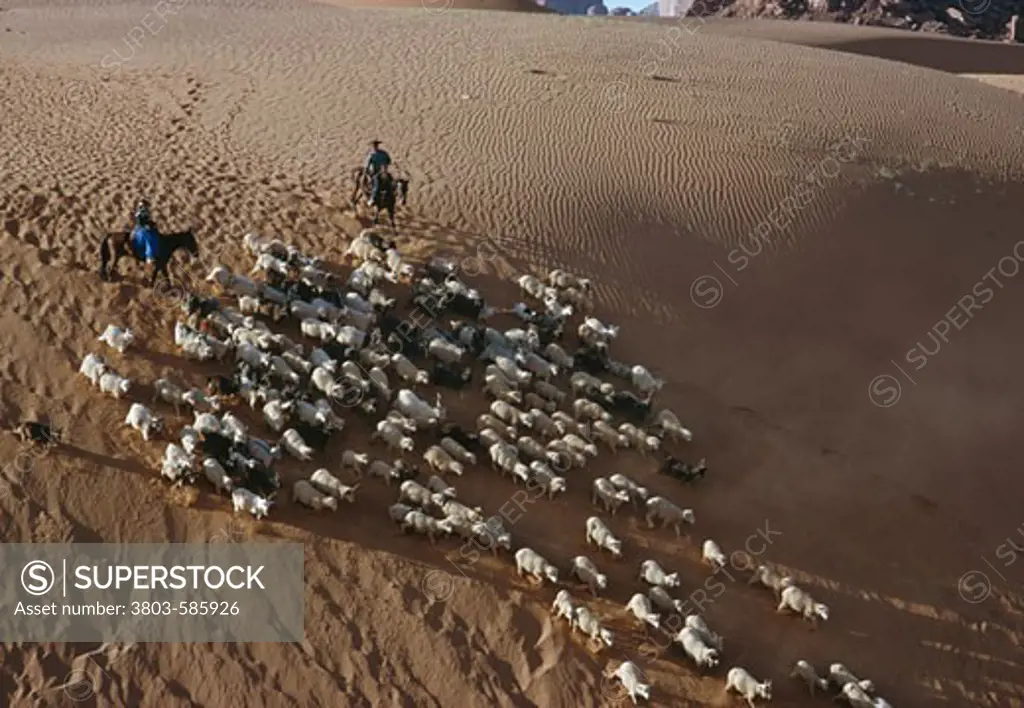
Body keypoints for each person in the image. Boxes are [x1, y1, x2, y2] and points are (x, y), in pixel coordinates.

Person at [129, 198, 160, 270]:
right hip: (139, 229)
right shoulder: (139, 213)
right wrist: (146, 226)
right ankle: (149, 255)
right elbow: (138, 222)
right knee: (148, 237)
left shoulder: (145, 212)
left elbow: (147, 220)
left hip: (145, 227)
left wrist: (152, 224)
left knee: (155, 234)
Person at [363, 140, 392, 206]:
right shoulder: (371, 154)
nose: (375, 146)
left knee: (390, 180)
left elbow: (388, 160)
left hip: (382, 171)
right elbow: (366, 165)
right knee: (377, 183)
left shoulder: (383, 153)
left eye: (376, 145)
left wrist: (385, 165)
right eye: (373, 145)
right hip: (373, 172)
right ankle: (372, 198)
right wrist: (367, 172)